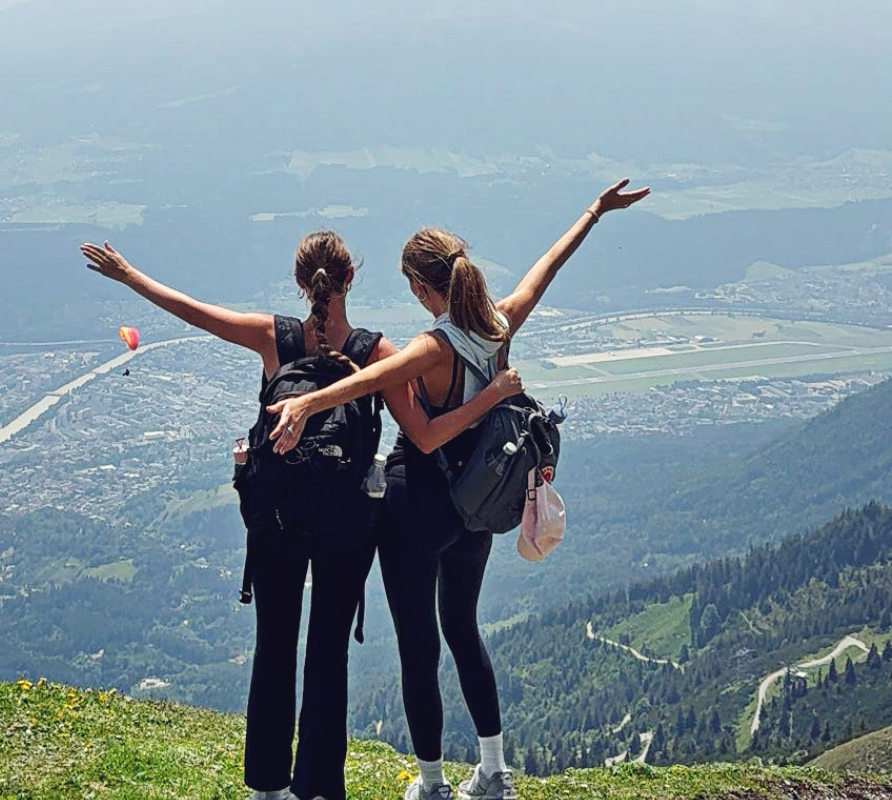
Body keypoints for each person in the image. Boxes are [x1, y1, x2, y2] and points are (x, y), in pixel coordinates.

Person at [80, 231, 506, 800]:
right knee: (328, 655)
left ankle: (267, 789)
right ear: (350, 278)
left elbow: (194, 313)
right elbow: (422, 433)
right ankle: (320, 788)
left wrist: (129, 275)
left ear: (301, 284)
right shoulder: (377, 352)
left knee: (274, 647)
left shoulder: (272, 337)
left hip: (275, 519)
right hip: (347, 526)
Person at [266, 180, 650, 800]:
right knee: (463, 631)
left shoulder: (433, 346)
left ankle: (433, 784)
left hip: (417, 510)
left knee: (419, 648)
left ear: (422, 288)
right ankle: (495, 771)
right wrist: (593, 212)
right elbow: (546, 267)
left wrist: (305, 402)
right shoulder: (500, 325)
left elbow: (367, 386)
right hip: (477, 508)